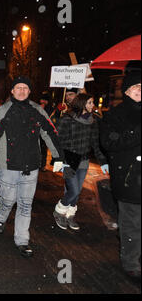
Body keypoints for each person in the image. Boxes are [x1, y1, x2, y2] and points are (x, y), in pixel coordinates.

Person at [0, 76, 65, 258]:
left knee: (25, 205)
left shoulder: (37, 110)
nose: (22, 91)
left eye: (25, 88)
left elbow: (50, 132)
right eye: (18, 88)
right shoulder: (3, 111)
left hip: (31, 166)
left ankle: (22, 240)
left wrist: (58, 157)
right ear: (12, 91)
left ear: (29, 91)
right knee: (7, 200)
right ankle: (1, 218)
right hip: (8, 166)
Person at [100, 71, 141, 282]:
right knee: (132, 222)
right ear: (126, 91)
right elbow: (109, 143)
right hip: (128, 177)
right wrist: (136, 133)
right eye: (136, 87)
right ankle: (131, 262)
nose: (140, 91)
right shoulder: (115, 114)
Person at [53, 93, 108, 231]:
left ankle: (69, 215)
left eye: (92, 102)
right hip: (69, 159)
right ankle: (59, 212)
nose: (92, 105)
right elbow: (56, 141)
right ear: (82, 103)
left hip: (83, 161)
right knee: (73, 191)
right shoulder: (67, 119)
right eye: (90, 102)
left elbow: (95, 144)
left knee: (76, 193)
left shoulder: (93, 121)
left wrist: (103, 161)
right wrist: (59, 159)